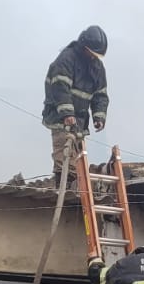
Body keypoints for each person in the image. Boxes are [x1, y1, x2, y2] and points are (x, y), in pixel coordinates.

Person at [42, 26, 109, 190]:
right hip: (60, 120)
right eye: (92, 53)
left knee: (78, 160)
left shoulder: (97, 68)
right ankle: (64, 194)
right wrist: (67, 113)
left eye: (97, 55)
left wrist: (99, 117)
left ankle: (76, 191)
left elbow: (100, 95)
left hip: (79, 123)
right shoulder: (67, 59)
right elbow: (60, 87)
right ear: (83, 46)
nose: (94, 57)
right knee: (64, 159)